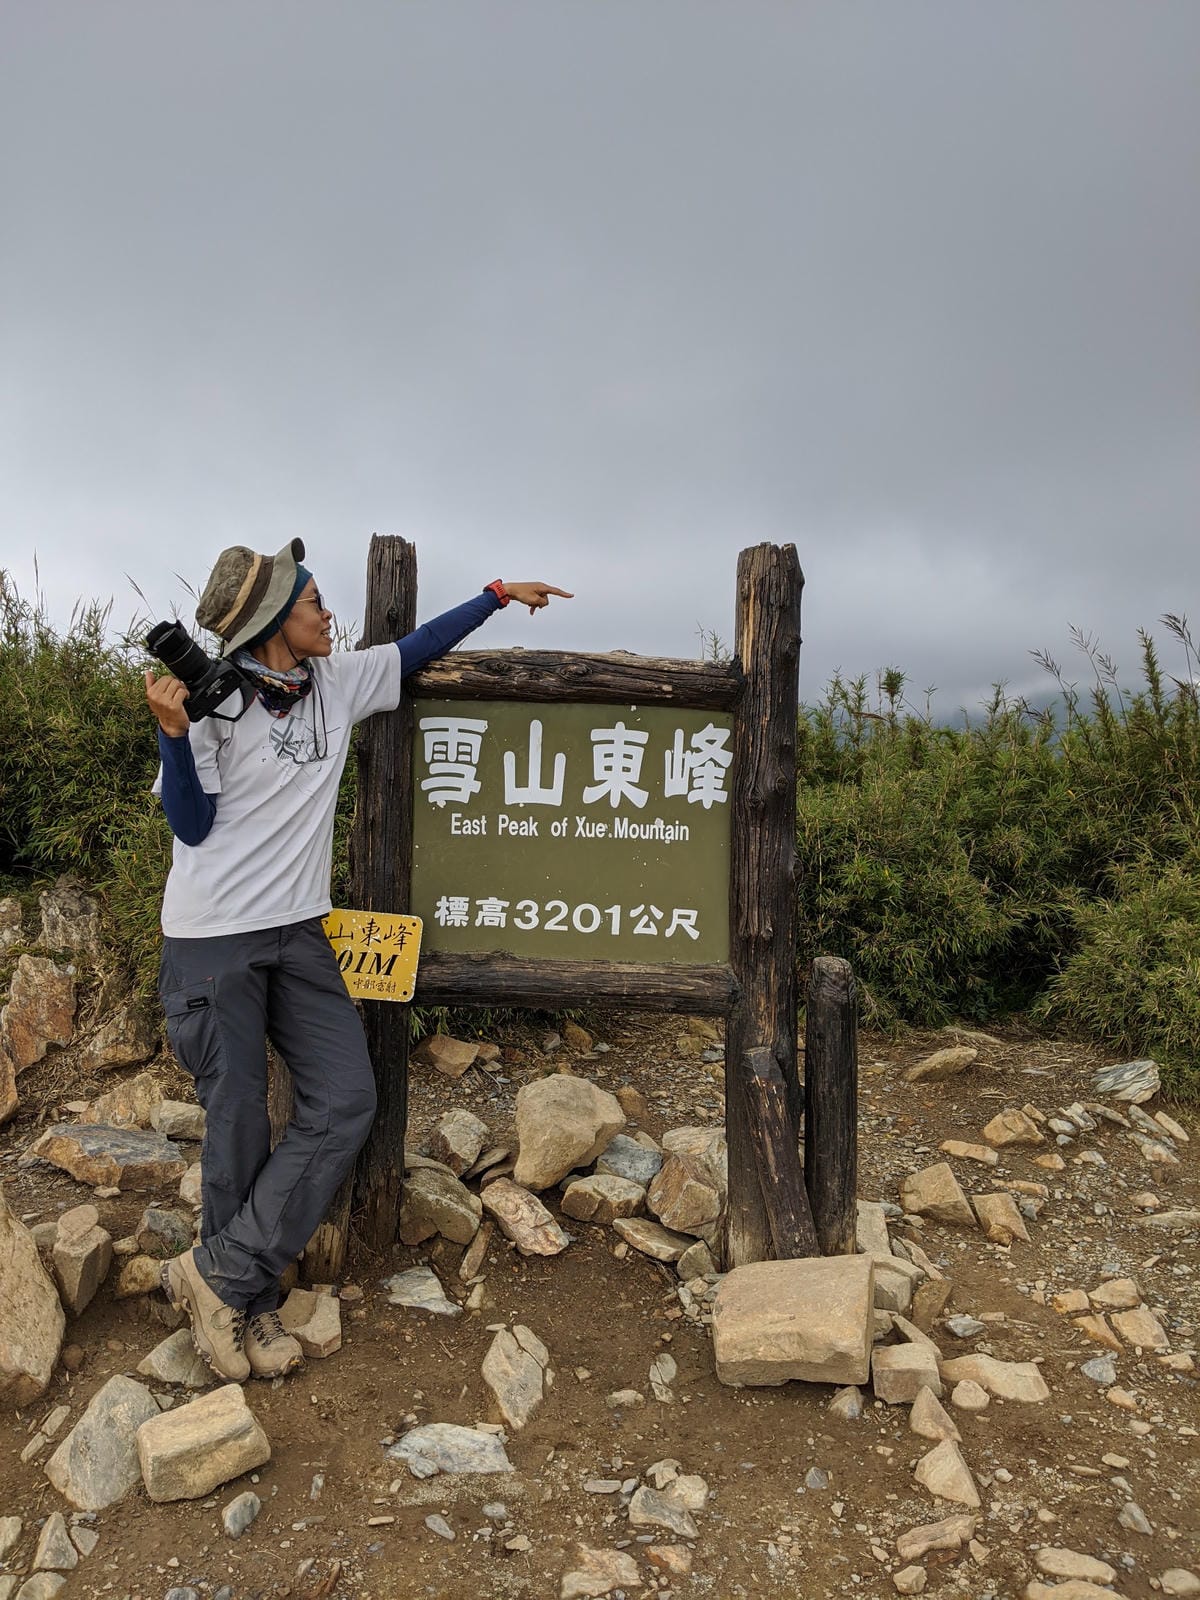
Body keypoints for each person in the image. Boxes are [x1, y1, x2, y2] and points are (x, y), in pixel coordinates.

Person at [145, 537, 570, 1382]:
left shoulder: (334, 684)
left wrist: (492, 594)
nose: (327, 613)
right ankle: (248, 1307)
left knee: (345, 1098)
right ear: (275, 623)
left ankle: (220, 1274)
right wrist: (172, 735)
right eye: (312, 604)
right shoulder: (207, 703)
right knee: (234, 1128)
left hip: (298, 930)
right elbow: (190, 825)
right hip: (212, 939)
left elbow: (414, 651)